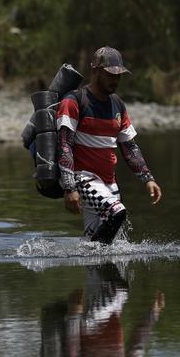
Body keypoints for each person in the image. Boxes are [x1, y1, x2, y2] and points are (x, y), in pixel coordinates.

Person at [56, 47, 163, 243]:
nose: (115, 80)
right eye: (110, 75)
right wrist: (70, 187)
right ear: (94, 71)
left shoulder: (118, 105)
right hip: (83, 178)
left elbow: (129, 147)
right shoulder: (73, 101)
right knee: (116, 213)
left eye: (118, 75)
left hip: (108, 183)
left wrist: (148, 178)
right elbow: (64, 145)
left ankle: (95, 266)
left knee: (100, 242)